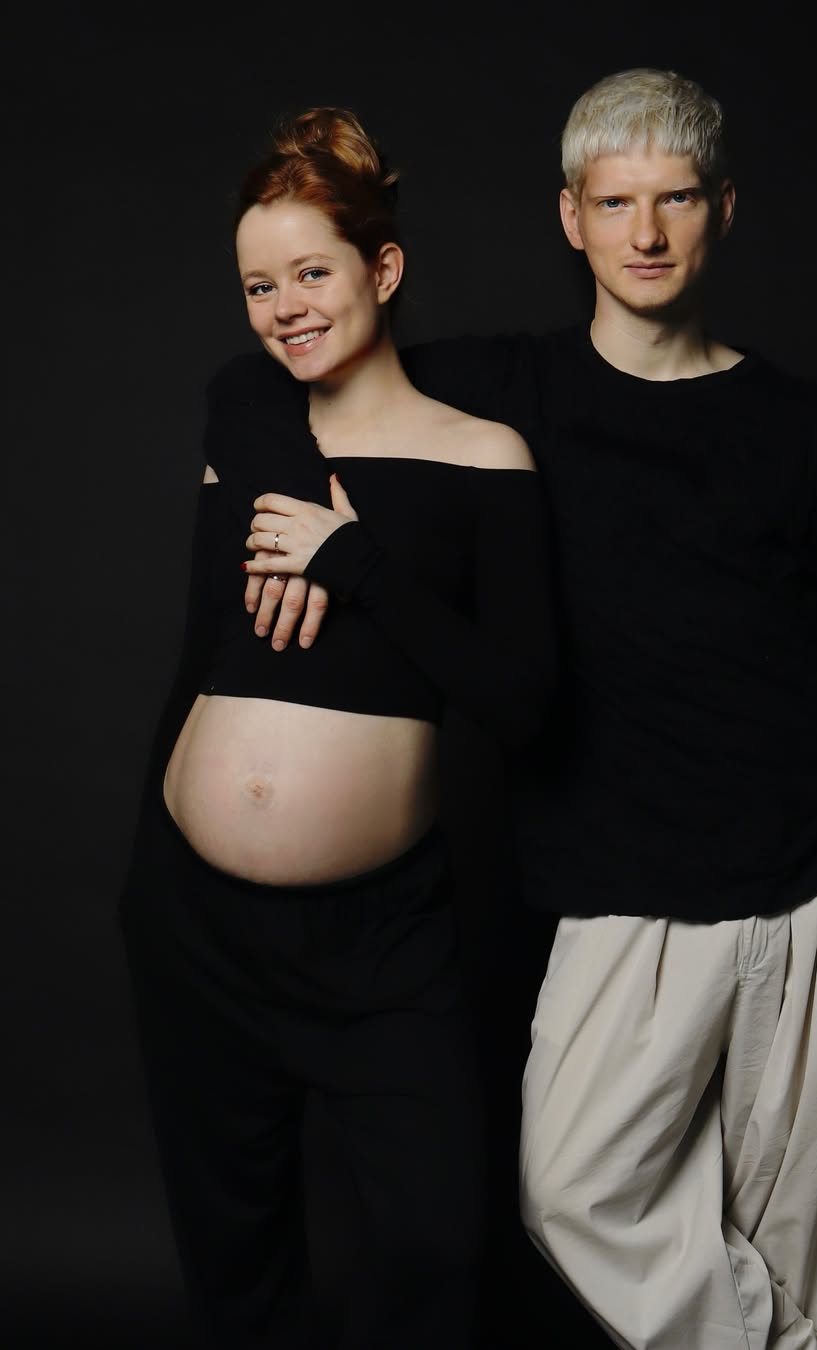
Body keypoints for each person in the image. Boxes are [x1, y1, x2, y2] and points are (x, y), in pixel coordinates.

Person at [242, 69, 817, 1350]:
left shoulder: (810, 430)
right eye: (616, 202)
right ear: (571, 217)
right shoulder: (505, 388)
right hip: (624, 888)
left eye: (675, 198)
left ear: (722, 209)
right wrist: (323, 537)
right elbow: (282, 375)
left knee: (806, 1252)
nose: (647, 233)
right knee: (574, 1190)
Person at [118, 106, 557, 1350]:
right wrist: (142, 877)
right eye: (259, 286)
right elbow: (202, 655)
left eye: (312, 273)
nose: (284, 308)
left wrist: (355, 561)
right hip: (195, 923)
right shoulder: (247, 441)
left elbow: (525, 705)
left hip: (380, 942)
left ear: (385, 267)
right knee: (236, 1260)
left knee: (433, 1244)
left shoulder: (484, 456)